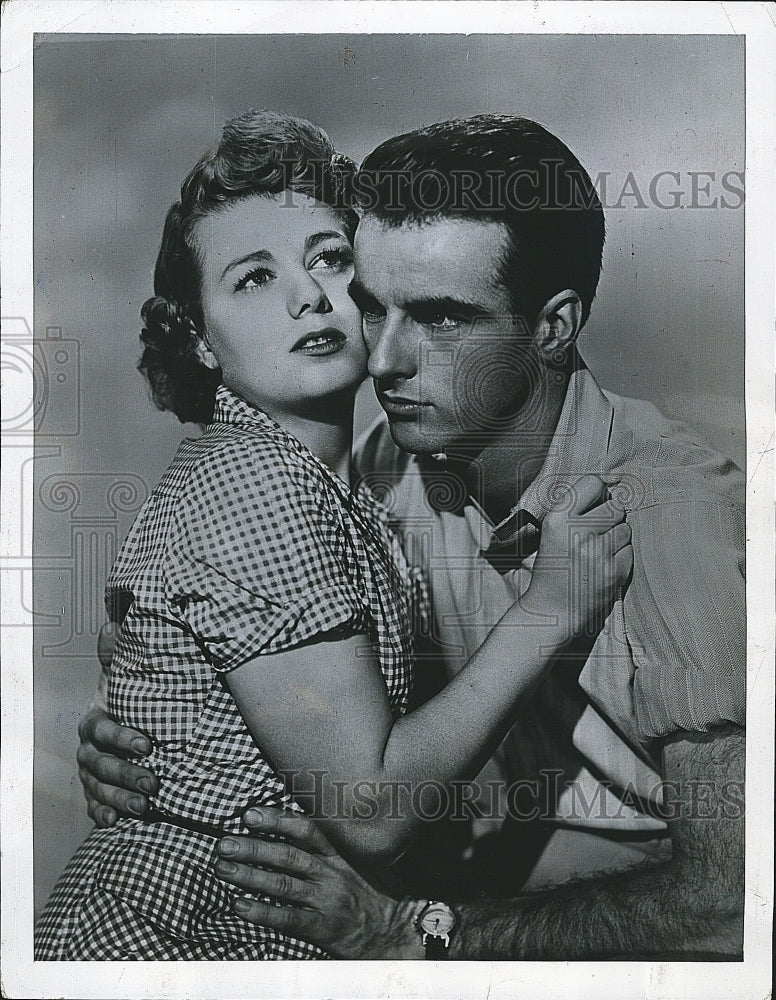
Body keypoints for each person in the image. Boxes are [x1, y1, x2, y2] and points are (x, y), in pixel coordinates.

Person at [77, 115, 745, 959]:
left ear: (554, 327)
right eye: (374, 305)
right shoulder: (382, 467)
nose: (387, 359)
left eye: (441, 319)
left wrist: (424, 934)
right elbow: (256, 603)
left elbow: (733, 903)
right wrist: (160, 710)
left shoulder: (673, 518)